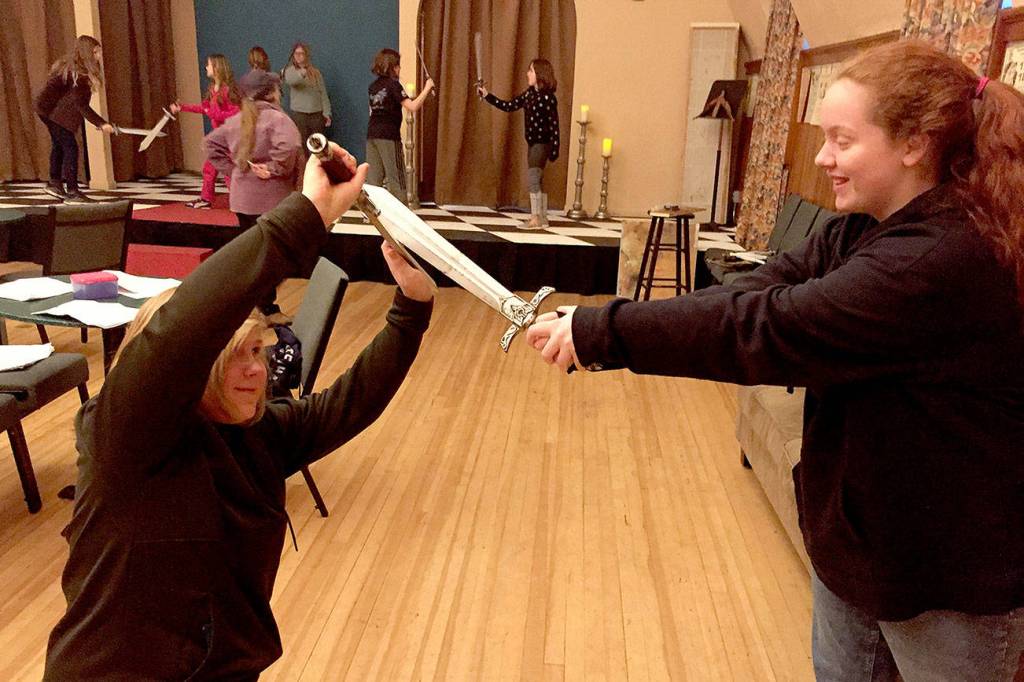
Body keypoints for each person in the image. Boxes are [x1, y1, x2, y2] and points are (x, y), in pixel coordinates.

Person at [527, 40, 1024, 680]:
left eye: (842, 140)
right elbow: (764, 288)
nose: (822, 157)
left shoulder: (940, 258)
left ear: (914, 144)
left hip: (947, 579)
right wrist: (601, 326)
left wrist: (604, 331)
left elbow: (768, 327)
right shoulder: (865, 226)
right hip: (861, 549)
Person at [42, 142, 435, 680]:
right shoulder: (127, 438)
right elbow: (181, 327)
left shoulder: (257, 434)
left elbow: (348, 405)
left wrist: (412, 306)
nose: (257, 371)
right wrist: (306, 214)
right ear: (192, 368)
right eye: (235, 357)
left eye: (257, 351)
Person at [204, 69, 303, 317]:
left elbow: (210, 144)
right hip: (272, 202)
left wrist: (236, 170)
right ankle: (266, 308)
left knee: (257, 256)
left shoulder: (237, 120)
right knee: (274, 258)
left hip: (243, 201)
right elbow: (290, 147)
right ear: (271, 93)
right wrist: (274, 168)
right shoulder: (277, 120)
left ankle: (257, 305)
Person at [477, 59, 560, 228]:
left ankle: (536, 218)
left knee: (533, 178)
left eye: (531, 71)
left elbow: (554, 125)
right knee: (538, 179)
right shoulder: (529, 94)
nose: (527, 74)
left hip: (542, 144)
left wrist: (554, 148)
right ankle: (542, 217)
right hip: (532, 143)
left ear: (540, 74)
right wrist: (487, 96)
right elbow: (509, 106)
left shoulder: (548, 98)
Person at [33, 35, 116, 204]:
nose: (99, 56)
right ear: (87, 54)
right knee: (70, 147)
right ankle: (72, 191)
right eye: (95, 52)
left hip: (46, 110)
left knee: (59, 145)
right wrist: (102, 123)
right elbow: (81, 105)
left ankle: (55, 183)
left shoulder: (72, 68)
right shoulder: (78, 75)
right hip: (49, 111)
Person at [170, 54, 241, 209]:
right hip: (218, 137)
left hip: (228, 137)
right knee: (210, 168)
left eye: (208, 65)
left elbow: (237, 112)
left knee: (228, 170)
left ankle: (237, 200)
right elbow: (205, 109)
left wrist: (216, 114)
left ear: (217, 67)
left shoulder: (228, 90)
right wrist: (183, 108)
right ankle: (207, 198)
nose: (206, 67)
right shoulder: (212, 89)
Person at [366, 48, 433, 202]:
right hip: (389, 136)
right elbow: (412, 106)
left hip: (372, 134)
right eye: (398, 65)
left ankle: (373, 211)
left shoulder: (372, 87)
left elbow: (371, 111)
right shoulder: (394, 85)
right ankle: (402, 209)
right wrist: (427, 88)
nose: (400, 68)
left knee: (374, 179)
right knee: (396, 177)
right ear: (392, 67)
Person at [281, 42, 332, 143]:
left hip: (316, 115)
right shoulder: (289, 71)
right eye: (296, 53)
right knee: (302, 143)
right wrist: (303, 71)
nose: (298, 56)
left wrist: (327, 113)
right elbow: (292, 81)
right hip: (300, 115)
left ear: (306, 55)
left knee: (318, 144)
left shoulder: (316, 73)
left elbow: (323, 93)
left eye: (301, 53)